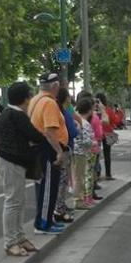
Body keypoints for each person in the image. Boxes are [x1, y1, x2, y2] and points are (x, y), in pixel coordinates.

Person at [0, 82, 49, 256]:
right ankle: (10, 242)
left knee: (18, 201)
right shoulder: (16, 115)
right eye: (30, 95)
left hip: (11, 161)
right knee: (13, 202)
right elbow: (34, 135)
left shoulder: (9, 113)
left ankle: (19, 237)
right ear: (25, 98)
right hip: (11, 161)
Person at [28, 73, 68, 234]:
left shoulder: (35, 100)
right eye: (59, 86)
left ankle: (46, 219)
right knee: (48, 188)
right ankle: (43, 223)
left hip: (39, 149)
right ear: (54, 86)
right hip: (48, 149)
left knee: (43, 187)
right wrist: (59, 151)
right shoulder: (49, 103)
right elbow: (50, 131)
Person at [54, 88, 78, 224]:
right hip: (65, 148)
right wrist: (77, 128)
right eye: (69, 95)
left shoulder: (61, 111)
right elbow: (72, 131)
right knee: (62, 180)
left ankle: (60, 206)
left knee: (62, 180)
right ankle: (59, 209)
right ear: (65, 98)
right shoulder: (64, 112)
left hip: (62, 148)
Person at [72, 96, 96, 210]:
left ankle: (78, 199)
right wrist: (92, 142)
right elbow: (86, 141)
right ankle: (79, 201)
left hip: (73, 152)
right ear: (89, 110)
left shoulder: (75, 120)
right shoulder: (85, 123)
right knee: (79, 177)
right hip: (80, 153)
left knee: (76, 177)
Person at [95, 93, 116, 180]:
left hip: (98, 134)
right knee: (107, 154)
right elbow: (114, 120)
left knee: (96, 155)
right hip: (108, 133)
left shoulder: (94, 111)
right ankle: (108, 174)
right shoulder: (108, 110)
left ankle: (97, 174)